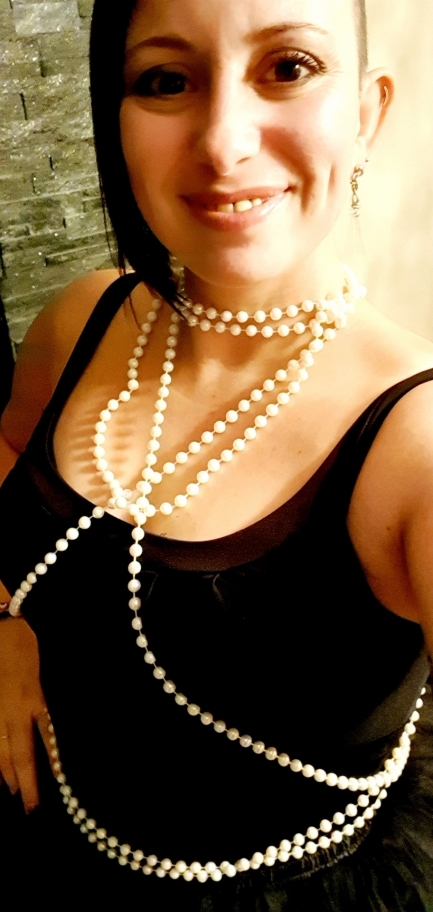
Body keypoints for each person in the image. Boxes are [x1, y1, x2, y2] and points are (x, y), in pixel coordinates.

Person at [0, 0, 433, 907]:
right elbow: (8, 447)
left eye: (287, 68)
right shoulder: (82, 318)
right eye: (166, 80)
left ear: (365, 113)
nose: (222, 142)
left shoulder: (412, 444)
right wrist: (6, 630)